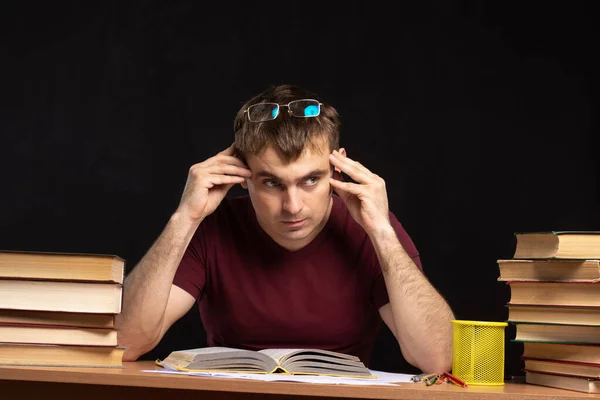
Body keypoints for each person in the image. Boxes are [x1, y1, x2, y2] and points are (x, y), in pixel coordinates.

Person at [116, 84, 454, 373]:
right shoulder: (211, 226)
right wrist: (183, 219)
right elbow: (125, 344)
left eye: (311, 179)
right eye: (271, 183)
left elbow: (436, 358)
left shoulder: (369, 227)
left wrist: (382, 232)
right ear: (242, 175)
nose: (293, 206)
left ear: (337, 171)